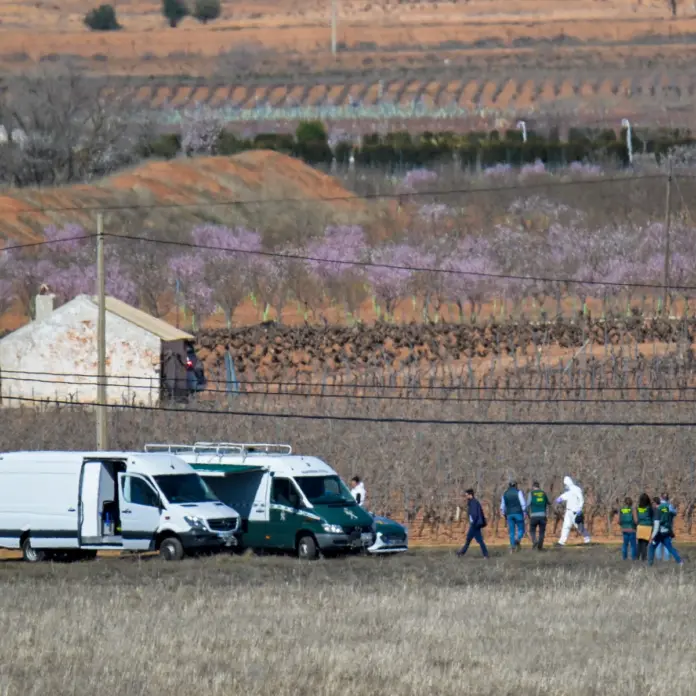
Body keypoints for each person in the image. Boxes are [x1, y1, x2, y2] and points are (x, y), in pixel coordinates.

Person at [555, 475, 591, 546]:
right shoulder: (568, 490)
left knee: (579, 526)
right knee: (566, 526)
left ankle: (587, 539)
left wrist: (579, 508)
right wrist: (560, 499)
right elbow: (565, 496)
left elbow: (581, 499)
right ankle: (561, 542)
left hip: (575, 511)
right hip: (568, 511)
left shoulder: (576, 489)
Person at [648, 496, 683, 566]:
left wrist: (652, 536)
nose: (652, 505)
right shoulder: (667, 508)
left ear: (655, 503)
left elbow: (657, 525)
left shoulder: (657, 510)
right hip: (666, 532)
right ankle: (680, 562)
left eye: (652, 503)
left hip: (659, 533)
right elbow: (673, 514)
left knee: (651, 547)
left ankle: (650, 564)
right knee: (670, 548)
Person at [457, 489, 489, 558]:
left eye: (466, 495)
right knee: (469, 539)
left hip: (475, 524)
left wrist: (473, 522)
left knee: (479, 540)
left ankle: (486, 555)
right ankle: (461, 553)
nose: (465, 497)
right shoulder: (472, 502)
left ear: (470, 495)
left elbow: (474, 514)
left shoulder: (473, 502)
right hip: (475, 524)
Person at [500, 480, 526, 551]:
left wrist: (503, 512)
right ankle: (517, 539)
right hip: (518, 513)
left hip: (509, 514)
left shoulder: (505, 493)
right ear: (515, 485)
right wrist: (524, 512)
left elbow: (502, 505)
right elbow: (523, 503)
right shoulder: (518, 492)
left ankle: (512, 547)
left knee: (512, 531)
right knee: (521, 529)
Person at [526, 481, 550, 550]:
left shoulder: (531, 493)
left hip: (534, 516)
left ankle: (534, 541)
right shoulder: (543, 493)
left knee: (532, 530)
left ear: (533, 487)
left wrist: (527, 513)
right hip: (543, 516)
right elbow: (548, 502)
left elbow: (528, 504)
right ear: (539, 486)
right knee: (542, 532)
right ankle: (540, 547)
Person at [654, 493, 677, 561]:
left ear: (661, 498)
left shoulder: (657, 506)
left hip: (658, 528)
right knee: (667, 545)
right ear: (668, 498)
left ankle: (658, 559)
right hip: (667, 528)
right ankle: (666, 560)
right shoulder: (669, 506)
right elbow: (674, 513)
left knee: (658, 545)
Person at [635, 493, 654, 561]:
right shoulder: (649, 508)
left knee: (639, 543)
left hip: (640, 527)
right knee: (644, 544)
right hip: (647, 527)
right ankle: (644, 558)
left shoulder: (639, 508)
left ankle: (636, 558)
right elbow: (652, 517)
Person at [618, 496, 637, 561]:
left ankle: (624, 558)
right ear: (631, 502)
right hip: (632, 529)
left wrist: (622, 525)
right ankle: (633, 558)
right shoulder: (632, 509)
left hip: (624, 529)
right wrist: (637, 524)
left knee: (625, 544)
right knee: (633, 545)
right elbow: (635, 520)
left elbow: (619, 521)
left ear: (625, 502)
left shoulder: (622, 509)